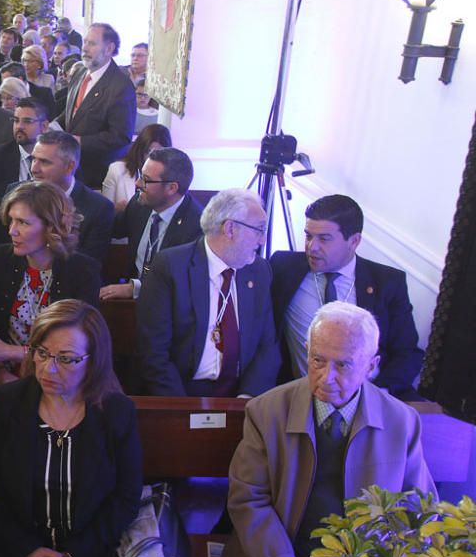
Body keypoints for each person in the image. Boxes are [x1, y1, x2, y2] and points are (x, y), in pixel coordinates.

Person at [220, 302, 436, 557]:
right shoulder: (266, 411)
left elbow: (419, 509)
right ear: (307, 350)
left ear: (371, 367)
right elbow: (248, 500)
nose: (326, 377)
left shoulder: (401, 421)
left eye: (343, 365)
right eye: (317, 360)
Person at [0, 299, 142, 557]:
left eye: (66, 359)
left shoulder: (116, 412)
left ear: (94, 360)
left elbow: (125, 499)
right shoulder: (7, 403)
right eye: (42, 353)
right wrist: (27, 551)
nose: (48, 368)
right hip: (14, 554)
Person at [270, 195, 425, 399]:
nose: (312, 247)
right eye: (308, 236)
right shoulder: (283, 268)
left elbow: (407, 353)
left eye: (324, 238)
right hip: (302, 395)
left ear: (354, 241)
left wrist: (376, 395)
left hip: (368, 393)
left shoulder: (387, 282)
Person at [135, 188, 281, 397]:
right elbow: (153, 354)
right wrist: (182, 410)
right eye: (259, 230)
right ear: (230, 229)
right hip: (183, 393)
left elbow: (267, 347)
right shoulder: (171, 267)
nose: (262, 241)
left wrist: (247, 399)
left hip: (241, 394)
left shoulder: (259, 271)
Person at [0, 181, 102, 385]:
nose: (12, 231)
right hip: (1, 374)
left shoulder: (83, 271)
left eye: (23, 223)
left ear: (50, 227)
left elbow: (82, 345)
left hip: (62, 376)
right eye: (11, 220)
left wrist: (11, 352)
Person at [100, 147, 205, 299]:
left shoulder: (197, 226)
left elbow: (182, 281)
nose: (137, 183)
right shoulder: (139, 203)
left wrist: (134, 289)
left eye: (146, 179)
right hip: (128, 303)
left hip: (170, 307)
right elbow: (112, 228)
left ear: (171, 188)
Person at [56, 23, 135, 189]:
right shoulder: (80, 73)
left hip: (95, 175)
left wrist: (80, 141)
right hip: (69, 169)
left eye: (92, 43)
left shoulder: (121, 86)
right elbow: (73, 113)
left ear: (109, 48)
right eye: (85, 42)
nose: (84, 48)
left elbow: (121, 136)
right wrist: (51, 126)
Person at [23, 130, 115, 263]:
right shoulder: (16, 194)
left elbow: (89, 265)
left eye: (44, 162)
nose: (34, 169)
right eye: (33, 159)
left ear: (69, 166)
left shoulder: (99, 209)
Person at [0, 97, 48, 208]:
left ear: (44, 126)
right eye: (16, 120)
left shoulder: (56, 157)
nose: (19, 126)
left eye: (27, 121)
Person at [101, 123, 172, 211]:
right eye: (148, 152)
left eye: (158, 153)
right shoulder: (116, 170)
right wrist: (117, 210)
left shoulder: (168, 180)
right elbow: (104, 212)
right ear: (140, 150)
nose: (152, 158)